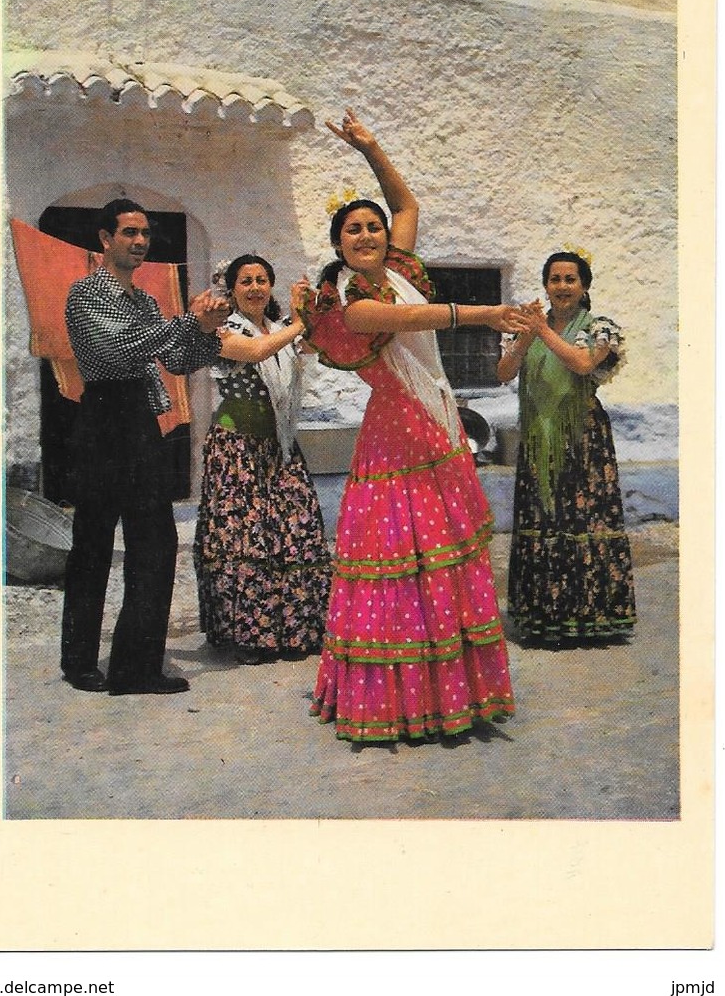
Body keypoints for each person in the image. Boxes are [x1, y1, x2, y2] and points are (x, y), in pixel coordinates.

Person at [302, 110, 524, 744]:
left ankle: (449, 691)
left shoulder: (396, 270)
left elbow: (407, 202)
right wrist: (489, 312)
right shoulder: (356, 302)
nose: (368, 235)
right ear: (339, 245)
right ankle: (393, 700)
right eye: (354, 231)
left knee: (443, 560)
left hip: (434, 419)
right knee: (400, 562)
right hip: (398, 432)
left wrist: (372, 147)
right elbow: (427, 318)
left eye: (373, 227)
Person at [60, 198, 230, 695]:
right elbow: (117, 351)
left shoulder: (147, 302)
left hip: (138, 419)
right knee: (92, 544)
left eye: (145, 235)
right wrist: (185, 325)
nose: (139, 242)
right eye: (129, 232)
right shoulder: (84, 294)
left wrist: (206, 327)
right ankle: (78, 661)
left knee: (154, 542)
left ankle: (137, 666)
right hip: (101, 418)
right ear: (105, 239)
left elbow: (175, 359)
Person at [193, 255, 331, 664]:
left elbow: (319, 344)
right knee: (244, 539)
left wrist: (311, 310)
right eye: (245, 281)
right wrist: (300, 321)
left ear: (270, 285)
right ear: (232, 289)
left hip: (280, 446)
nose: (254, 287)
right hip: (236, 451)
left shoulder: (282, 328)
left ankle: (295, 630)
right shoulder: (223, 331)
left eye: (261, 280)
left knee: (296, 532)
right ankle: (250, 637)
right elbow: (255, 352)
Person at [497, 250, 636, 647]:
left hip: (583, 440)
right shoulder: (528, 329)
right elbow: (504, 372)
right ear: (545, 285)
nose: (562, 287)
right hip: (540, 437)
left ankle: (592, 619)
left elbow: (580, 363)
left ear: (584, 286)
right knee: (545, 518)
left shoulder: (600, 328)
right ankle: (544, 616)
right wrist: (527, 335)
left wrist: (542, 331)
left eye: (570, 279)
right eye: (554, 279)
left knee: (582, 521)